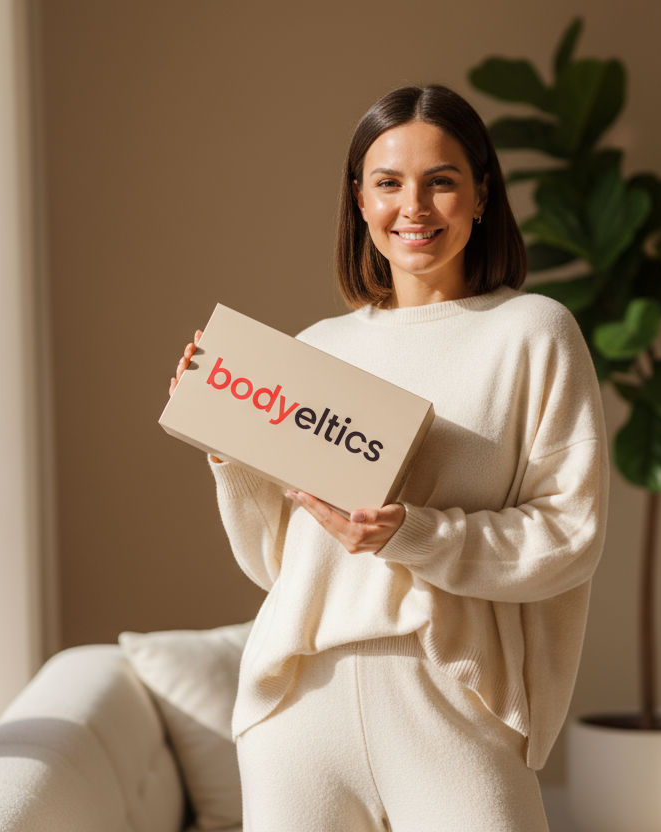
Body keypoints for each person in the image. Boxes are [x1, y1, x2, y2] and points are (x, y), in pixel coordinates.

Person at [169, 84, 608, 832]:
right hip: (298, 706)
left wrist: (414, 532)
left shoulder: (534, 334)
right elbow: (279, 565)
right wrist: (232, 451)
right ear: (360, 201)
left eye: (441, 181)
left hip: (454, 697)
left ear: (480, 196)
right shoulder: (314, 352)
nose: (415, 206)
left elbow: (569, 535)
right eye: (388, 183)